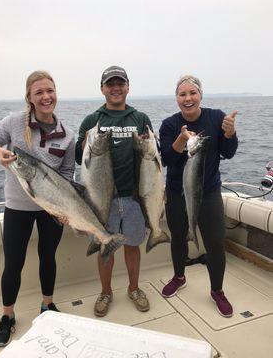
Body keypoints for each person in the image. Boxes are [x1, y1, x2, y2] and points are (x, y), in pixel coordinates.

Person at [0, 70, 75, 346]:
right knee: (13, 264)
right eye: (39, 92)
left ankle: (47, 305)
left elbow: (68, 174)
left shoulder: (67, 134)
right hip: (17, 208)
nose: (46, 97)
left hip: (51, 209)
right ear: (29, 98)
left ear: (56, 93)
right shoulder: (14, 122)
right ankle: (7, 316)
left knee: (48, 257)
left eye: (50, 90)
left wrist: (66, 207)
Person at [75, 65, 152, 317]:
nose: (115, 88)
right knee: (104, 247)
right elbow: (79, 158)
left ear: (128, 87)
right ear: (102, 89)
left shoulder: (140, 118)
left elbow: (150, 158)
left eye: (120, 83)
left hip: (132, 199)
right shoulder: (91, 121)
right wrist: (85, 143)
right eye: (110, 84)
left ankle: (134, 288)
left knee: (132, 246)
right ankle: (106, 292)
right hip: (101, 199)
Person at [159, 75, 238, 317]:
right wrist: (181, 140)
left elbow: (229, 152)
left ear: (200, 95)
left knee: (215, 243)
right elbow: (167, 160)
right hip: (176, 192)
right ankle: (179, 276)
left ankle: (217, 290)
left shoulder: (216, 117)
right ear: (177, 99)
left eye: (192, 93)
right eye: (182, 94)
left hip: (209, 191)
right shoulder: (169, 125)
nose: (188, 98)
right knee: (179, 238)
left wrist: (229, 134)